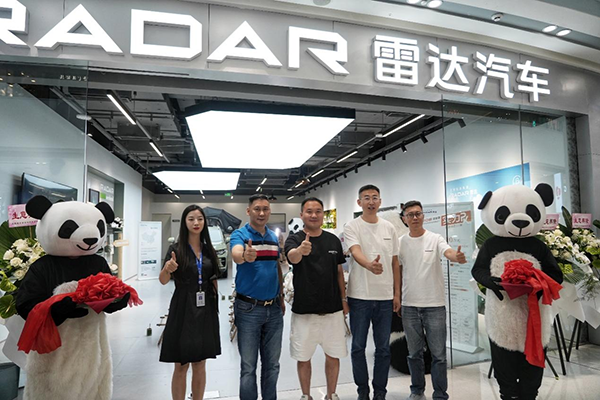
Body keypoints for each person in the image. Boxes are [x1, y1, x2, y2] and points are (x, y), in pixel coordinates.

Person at [398, 200, 466, 400]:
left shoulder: (435, 238)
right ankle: (417, 391)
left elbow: (448, 252)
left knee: (439, 355)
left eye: (418, 213)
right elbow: (397, 270)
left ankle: (440, 395)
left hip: (434, 306)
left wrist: (456, 256)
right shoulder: (400, 242)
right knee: (414, 354)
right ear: (404, 219)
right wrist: (397, 296)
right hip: (409, 305)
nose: (415, 217)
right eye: (410, 215)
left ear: (423, 216)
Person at [285, 197, 349, 400]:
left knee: (334, 355)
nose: (314, 215)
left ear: (323, 214)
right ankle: (306, 395)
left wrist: (344, 300)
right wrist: (300, 251)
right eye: (309, 211)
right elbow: (292, 257)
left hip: (333, 310)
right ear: (302, 215)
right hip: (304, 311)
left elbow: (339, 271)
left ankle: (331, 394)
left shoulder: (333, 240)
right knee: (303, 357)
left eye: (318, 211)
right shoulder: (294, 239)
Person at [344, 184, 401, 400]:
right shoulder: (352, 226)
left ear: (380, 201)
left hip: (385, 298)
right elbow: (355, 251)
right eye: (366, 198)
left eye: (375, 197)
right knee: (358, 347)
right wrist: (369, 264)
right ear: (359, 202)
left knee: (383, 349)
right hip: (360, 297)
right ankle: (363, 391)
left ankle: (380, 392)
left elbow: (395, 262)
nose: (371, 201)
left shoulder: (389, 228)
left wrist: (397, 294)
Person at [159, 205, 221, 400]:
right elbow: (162, 280)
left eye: (200, 219)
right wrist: (168, 269)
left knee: (200, 363)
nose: (196, 223)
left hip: (205, 308)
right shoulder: (176, 249)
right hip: (183, 307)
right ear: (184, 222)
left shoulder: (208, 250)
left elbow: (213, 279)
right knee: (181, 364)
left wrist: (215, 309)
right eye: (191, 219)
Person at [230, 194, 285, 400]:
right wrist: (245, 255)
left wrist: (281, 297)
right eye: (257, 209)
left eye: (265, 209)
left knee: (272, 365)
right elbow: (236, 254)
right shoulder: (240, 234)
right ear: (248, 211)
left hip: (274, 309)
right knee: (248, 367)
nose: (262, 213)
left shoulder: (273, 237)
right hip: (248, 309)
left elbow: (276, 267)